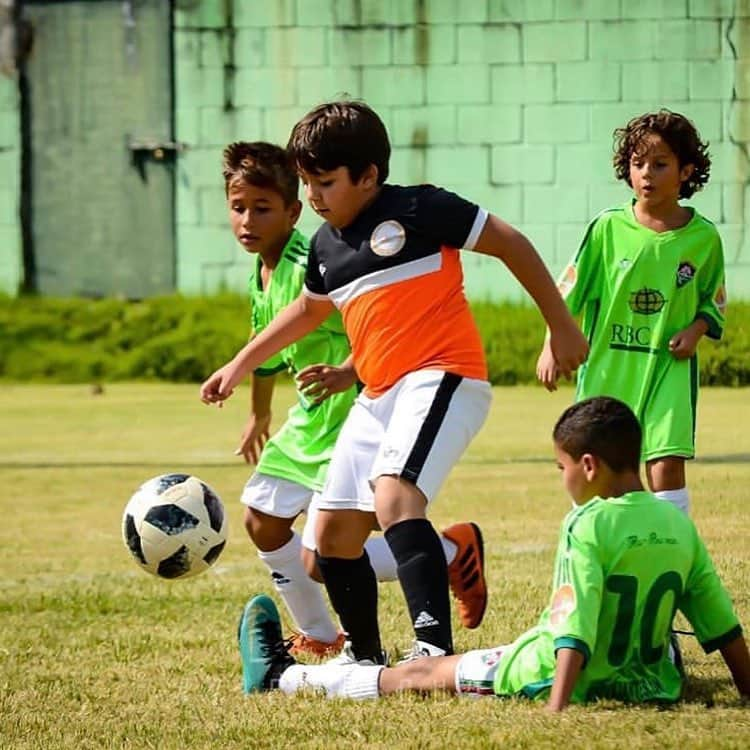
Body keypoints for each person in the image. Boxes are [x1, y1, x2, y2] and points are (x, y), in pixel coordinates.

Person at [202, 102, 589, 665]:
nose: (314, 197)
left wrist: (560, 326)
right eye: (307, 182)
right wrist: (239, 364)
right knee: (327, 543)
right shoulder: (325, 247)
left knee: (395, 497)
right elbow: (307, 313)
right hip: (377, 395)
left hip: (444, 376)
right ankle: (364, 658)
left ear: (368, 176)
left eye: (326, 182)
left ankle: (431, 650)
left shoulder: (420, 208)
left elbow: (511, 242)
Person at [238, 397, 750, 711]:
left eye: (560, 466)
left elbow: (575, 624)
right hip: (648, 683)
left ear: (588, 466)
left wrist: (557, 703)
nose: (562, 477)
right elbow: (718, 618)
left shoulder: (587, 523)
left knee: (419, 676)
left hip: (546, 671)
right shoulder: (676, 524)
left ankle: (283, 678)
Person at [220, 141, 488, 658]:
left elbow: (369, 325)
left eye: (261, 208)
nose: (247, 220)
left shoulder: (315, 255)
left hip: (355, 407)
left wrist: (347, 371)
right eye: (238, 208)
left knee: (326, 551)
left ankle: (448, 557)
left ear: (291, 211)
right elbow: (275, 348)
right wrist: (257, 411)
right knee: (262, 518)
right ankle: (325, 634)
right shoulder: (264, 273)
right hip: (312, 416)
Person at [537, 110, 726, 516]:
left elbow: (715, 300)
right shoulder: (607, 229)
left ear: (685, 171)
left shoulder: (704, 238)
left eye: (660, 165)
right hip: (609, 367)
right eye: (637, 164)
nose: (646, 175)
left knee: (665, 463)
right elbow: (566, 292)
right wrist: (551, 344)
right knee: (597, 467)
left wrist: (696, 330)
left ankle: (672, 550)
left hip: (666, 371)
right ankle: (594, 540)